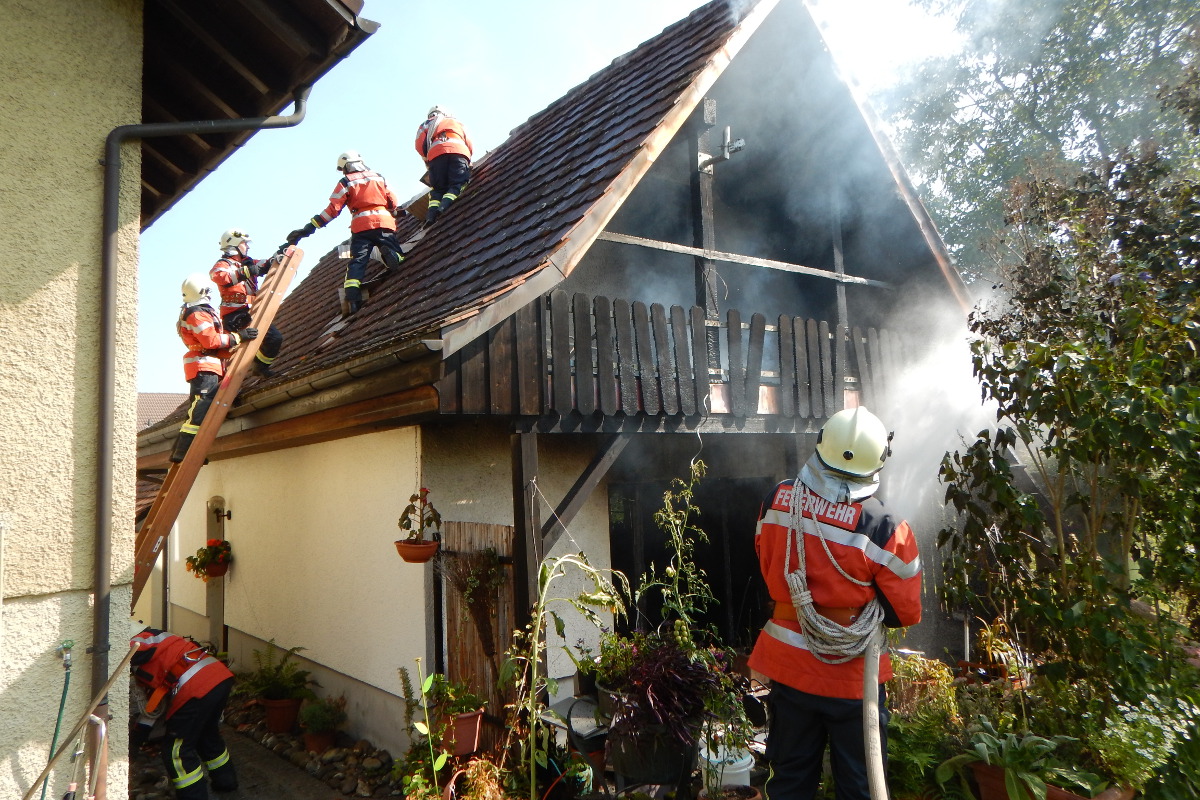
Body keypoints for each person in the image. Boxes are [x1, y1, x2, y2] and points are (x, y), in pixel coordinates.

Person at [748, 406, 922, 800]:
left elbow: (766, 558)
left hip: (789, 666)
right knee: (860, 786)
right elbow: (904, 612)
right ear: (877, 461)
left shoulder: (777, 499)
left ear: (821, 444)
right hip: (853, 677)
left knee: (789, 780)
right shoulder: (886, 527)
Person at [285, 150, 404, 316]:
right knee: (396, 252)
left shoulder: (345, 182)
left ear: (346, 167)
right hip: (383, 221)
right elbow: (393, 200)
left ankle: (353, 299)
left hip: (361, 226)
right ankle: (392, 255)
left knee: (358, 261)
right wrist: (392, 210)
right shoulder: (378, 176)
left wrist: (309, 228)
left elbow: (333, 210)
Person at [131, 626, 237, 799]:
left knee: (176, 751)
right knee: (207, 735)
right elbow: (155, 707)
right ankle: (226, 782)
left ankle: (194, 796)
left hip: (197, 688)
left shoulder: (137, 640)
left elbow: (123, 648)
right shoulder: (157, 638)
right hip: (219, 679)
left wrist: (136, 740)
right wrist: (138, 735)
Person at [170, 273, 256, 463]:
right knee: (201, 407)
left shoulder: (197, 311)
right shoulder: (197, 313)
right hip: (203, 364)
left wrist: (233, 338)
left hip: (207, 364)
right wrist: (238, 337)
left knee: (198, 408)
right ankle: (185, 451)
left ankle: (182, 451)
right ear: (204, 291)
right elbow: (210, 341)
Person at [209, 228, 282, 377]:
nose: (247, 246)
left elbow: (264, 264)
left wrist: (281, 252)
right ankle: (222, 382)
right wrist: (247, 271)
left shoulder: (247, 262)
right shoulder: (223, 264)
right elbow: (219, 276)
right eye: (244, 243)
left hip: (251, 311)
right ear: (235, 245)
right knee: (228, 354)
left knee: (275, 338)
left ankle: (260, 367)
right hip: (234, 315)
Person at [414, 105, 473, 227]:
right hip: (458, 151)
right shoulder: (456, 122)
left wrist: (428, 160)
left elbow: (420, 145)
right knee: (458, 183)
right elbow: (468, 142)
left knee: (437, 189)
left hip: (436, 155)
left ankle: (431, 215)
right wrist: (468, 159)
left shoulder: (425, 124)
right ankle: (444, 206)